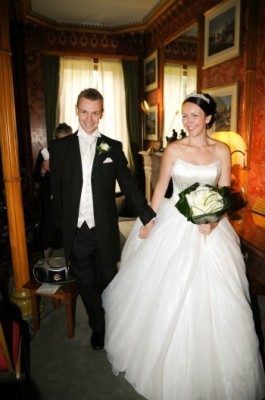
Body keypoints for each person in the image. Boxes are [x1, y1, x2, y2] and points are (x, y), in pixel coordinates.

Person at [102, 93, 265, 400]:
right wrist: (148, 221)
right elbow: (161, 187)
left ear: (208, 119)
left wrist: (214, 222)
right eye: (184, 116)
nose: (188, 122)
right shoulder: (174, 148)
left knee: (221, 294)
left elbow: (224, 191)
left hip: (211, 226)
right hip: (174, 221)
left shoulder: (223, 150)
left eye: (194, 116)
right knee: (166, 287)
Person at [49, 88, 156, 350]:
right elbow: (56, 191)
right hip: (77, 230)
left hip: (105, 228)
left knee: (108, 278)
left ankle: (114, 318)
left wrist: (147, 216)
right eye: (84, 111)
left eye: (94, 113)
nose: (88, 118)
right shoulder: (60, 148)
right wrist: (61, 229)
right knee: (85, 282)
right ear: (76, 110)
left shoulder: (114, 147)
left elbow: (130, 186)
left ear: (102, 113)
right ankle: (99, 326)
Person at [33, 123, 73, 257]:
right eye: (60, 140)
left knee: (68, 231)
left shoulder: (75, 154)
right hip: (48, 198)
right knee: (48, 231)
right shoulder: (45, 153)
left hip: (67, 198)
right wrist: (43, 169)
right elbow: (37, 178)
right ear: (55, 140)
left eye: (67, 139)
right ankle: (46, 258)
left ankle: (70, 258)